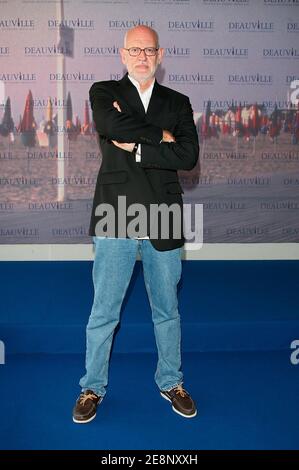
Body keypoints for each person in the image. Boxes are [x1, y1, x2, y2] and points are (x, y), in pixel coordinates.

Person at [72, 25, 199, 423]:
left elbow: (188, 155)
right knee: (104, 311)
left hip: (163, 215)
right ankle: (92, 387)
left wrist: (142, 147)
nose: (142, 56)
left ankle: (171, 381)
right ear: (123, 55)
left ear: (160, 56)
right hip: (116, 213)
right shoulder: (104, 92)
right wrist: (162, 138)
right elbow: (110, 128)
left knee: (167, 310)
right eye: (135, 50)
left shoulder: (178, 102)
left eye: (149, 50)